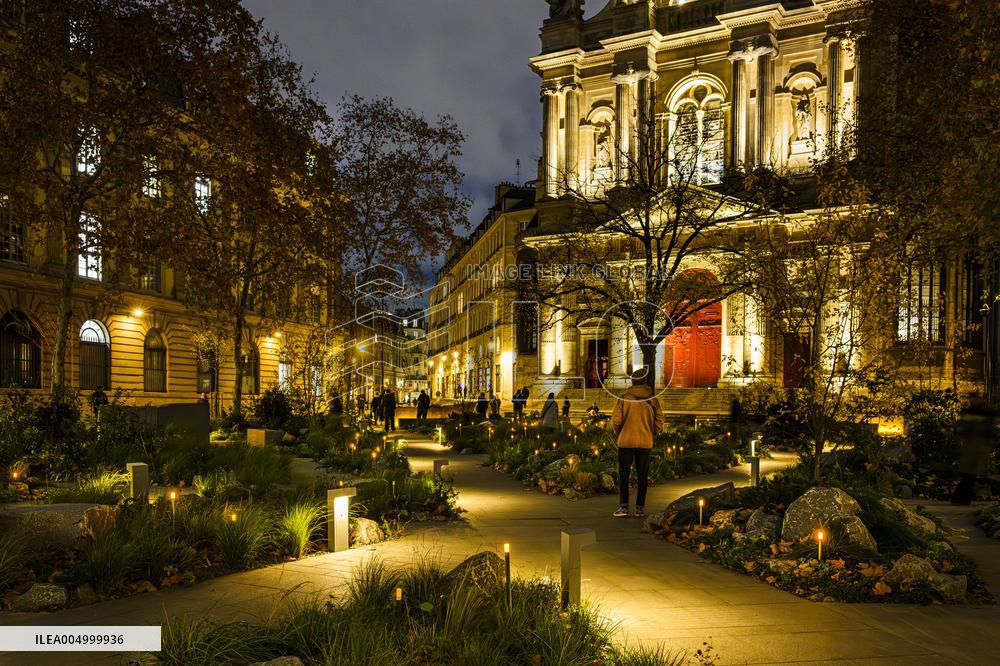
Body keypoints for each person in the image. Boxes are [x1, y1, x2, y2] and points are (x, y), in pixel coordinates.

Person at [610, 368, 663, 518]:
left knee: (624, 474)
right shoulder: (653, 400)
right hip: (645, 442)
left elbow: (616, 421)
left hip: (626, 441)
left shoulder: (624, 398)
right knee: (642, 475)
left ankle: (624, 507)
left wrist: (620, 433)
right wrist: (652, 432)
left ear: (632, 382)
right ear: (645, 382)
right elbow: (660, 420)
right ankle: (640, 508)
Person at [952, 393, 996, 505]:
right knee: (969, 475)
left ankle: (961, 498)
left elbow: (989, 430)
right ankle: (961, 498)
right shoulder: (974, 411)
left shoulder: (984, 412)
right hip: (972, 447)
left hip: (976, 447)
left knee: (970, 475)